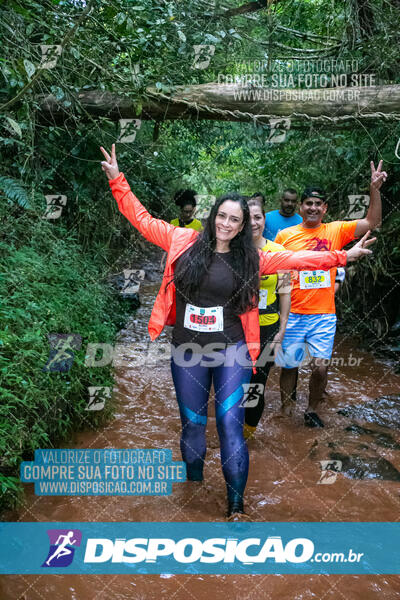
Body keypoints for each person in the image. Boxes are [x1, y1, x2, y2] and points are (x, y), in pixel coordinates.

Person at [100, 143, 376, 518]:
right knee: (193, 426)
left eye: (235, 220)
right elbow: (142, 220)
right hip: (187, 352)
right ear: (213, 215)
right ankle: (194, 489)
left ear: (244, 226)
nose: (226, 224)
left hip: (232, 351)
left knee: (231, 425)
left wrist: (344, 255)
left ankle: (235, 508)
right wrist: (118, 180)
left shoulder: (255, 258)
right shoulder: (182, 241)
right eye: (222, 216)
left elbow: (299, 258)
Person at [275, 161, 387, 428]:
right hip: (293, 313)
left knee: (320, 367)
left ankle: (312, 409)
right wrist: (282, 314)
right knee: (289, 366)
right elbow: (280, 277)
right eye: (308, 203)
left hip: (323, 314)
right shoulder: (284, 235)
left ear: (325, 208)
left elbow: (374, 222)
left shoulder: (336, 230)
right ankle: (287, 409)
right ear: (301, 207)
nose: (313, 208)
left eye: (318, 204)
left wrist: (374, 190)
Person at [243, 196, 291, 439]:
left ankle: (247, 434)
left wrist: (282, 331)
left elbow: (285, 293)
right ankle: (230, 429)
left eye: (258, 217)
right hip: (236, 330)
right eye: (248, 218)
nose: (253, 222)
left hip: (267, 329)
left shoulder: (278, 252)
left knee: (256, 383)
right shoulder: (232, 251)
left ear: (265, 220)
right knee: (230, 383)